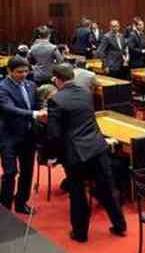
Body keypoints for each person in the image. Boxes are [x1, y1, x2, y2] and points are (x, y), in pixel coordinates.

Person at [45, 64, 126, 242]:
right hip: (97, 147)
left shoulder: (56, 100)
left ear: (56, 80)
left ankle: (80, 234)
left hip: (75, 153)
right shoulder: (86, 93)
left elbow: (54, 134)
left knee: (78, 193)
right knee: (107, 188)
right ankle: (120, 225)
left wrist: (53, 156)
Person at [0, 57, 45, 214]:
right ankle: (5, 208)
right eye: (19, 72)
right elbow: (8, 109)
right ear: (9, 71)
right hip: (8, 137)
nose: (24, 74)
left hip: (28, 135)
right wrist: (34, 114)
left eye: (26, 71)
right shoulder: (2, 88)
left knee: (27, 172)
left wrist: (43, 111)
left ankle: (21, 203)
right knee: (10, 172)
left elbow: (37, 105)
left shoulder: (31, 85)